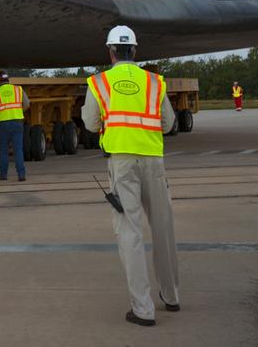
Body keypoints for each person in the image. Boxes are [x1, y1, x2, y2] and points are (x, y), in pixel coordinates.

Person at [82, 25, 179, 327]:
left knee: (130, 233)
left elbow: (89, 122)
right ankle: (172, 296)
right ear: (134, 51)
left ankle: (143, 309)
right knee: (163, 228)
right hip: (153, 160)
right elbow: (168, 123)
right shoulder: (154, 82)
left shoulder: (99, 82)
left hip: (122, 164)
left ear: (110, 51)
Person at [0, 72, 30, 181]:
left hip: (3, 125)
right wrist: (19, 112)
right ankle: (21, 175)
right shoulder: (18, 89)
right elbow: (27, 104)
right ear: (8, 79)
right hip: (17, 122)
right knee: (18, 150)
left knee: (3, 150)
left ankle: (3, 175)